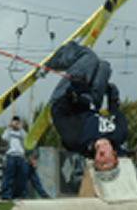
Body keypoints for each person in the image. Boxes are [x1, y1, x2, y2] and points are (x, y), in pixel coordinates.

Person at [47, 41, 128, 180]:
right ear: (115, 157)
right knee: (104, 67)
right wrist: (112, 94)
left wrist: (73, 93)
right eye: (107, 162)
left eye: (99, 163)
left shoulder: (77, 140)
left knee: (90, 58)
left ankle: (52, 61)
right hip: (91, 102)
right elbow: (115, 111)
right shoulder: (119, 134)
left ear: (94, 160)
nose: (102, 158)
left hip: (65, 100)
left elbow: (59, 113)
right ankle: (88, 74)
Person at [1, 116, 27, 199]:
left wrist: (21, 128)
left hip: (20, 156)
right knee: (9, 177)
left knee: (21, 177)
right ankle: (6, 195)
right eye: (14, 121)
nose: (16, 123)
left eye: (17, 121)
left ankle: (18, 195)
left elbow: (26, 139)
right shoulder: (9, 131)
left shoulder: (21, 132)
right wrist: (9, 127)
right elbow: (4, 138)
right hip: (11, 156)